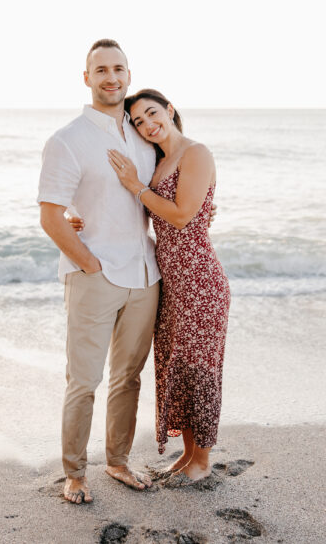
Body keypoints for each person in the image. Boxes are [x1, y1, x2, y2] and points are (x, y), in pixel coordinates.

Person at [37, 39, 159, 504]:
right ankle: (73, 473)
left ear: (129, 75)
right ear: (87, 78)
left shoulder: (144, 134)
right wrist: (90, 263)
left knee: (128, 378)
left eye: (119, 68)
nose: (111, 77)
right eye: (101, 70)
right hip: (95, 276)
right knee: (84, 381)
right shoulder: (68, 139)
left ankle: (118, 461)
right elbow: (51, 216)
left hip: (146, 276)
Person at [106, 88, 230, 484]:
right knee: (178, 368)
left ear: (170, 110)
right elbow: (143, 215)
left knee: (199, 369)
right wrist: (84, 221)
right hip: (171, 282)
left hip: (199, 279)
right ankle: (188, 454)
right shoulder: (159, 161)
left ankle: (202, 459)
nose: (147, 124)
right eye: (138, 122)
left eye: (152, 113)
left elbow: (179, 217)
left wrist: (134, 186)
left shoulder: (196, 152)